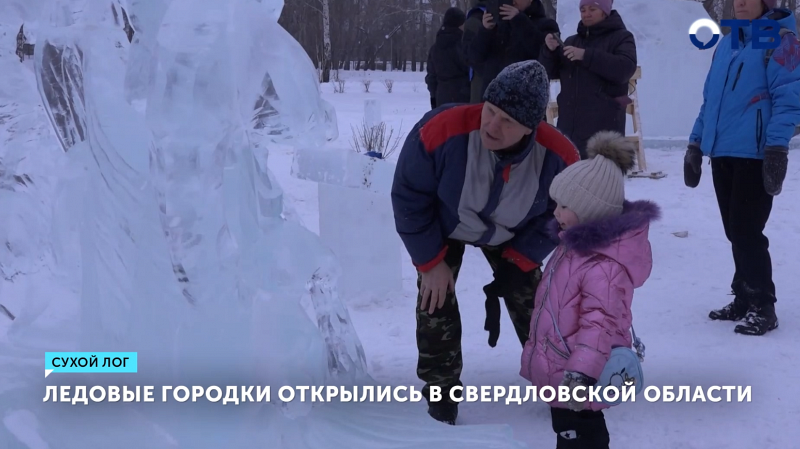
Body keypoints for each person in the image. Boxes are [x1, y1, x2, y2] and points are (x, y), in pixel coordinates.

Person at [391, 60, 579, 425]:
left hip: (514, 232)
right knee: (435, 298)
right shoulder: (439, 129)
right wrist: (430, 262)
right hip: (447, 225)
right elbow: (409, 196)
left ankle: (560, 384)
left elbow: (564, 214)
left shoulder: (560, 157)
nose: (492, 125)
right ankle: (441, 394)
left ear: (531, 126)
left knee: (539, 303)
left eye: (507, 121)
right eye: (490, 111)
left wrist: (523, 258)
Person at [520, 131, 659, 449]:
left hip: (579, 372)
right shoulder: (573, 246)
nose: (556, 212)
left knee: (582, 432)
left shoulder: (603, 267)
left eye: (565, 206)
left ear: (591, 210)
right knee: (568, 429)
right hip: (563, 364)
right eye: (557, 203)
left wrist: (582, 374)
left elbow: (600, 326)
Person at [685, 0, 800, 336]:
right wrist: (695, 143)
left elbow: (789, 99)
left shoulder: (781, 41)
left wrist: (777, 148)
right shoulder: (729, 41)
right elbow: (711, 100)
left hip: (756, 152)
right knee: (734, 231)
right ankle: (744, 297)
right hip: (723, 151)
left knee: (747, 230)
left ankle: (763, 305)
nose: (741, 2)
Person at [539, 0, 636, 159]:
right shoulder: (572, 41)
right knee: (569, 180)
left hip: (605, 132)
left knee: (602, 180)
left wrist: (586, 55)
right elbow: (547, 72)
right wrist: (549, 51)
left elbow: (624, 69)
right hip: (569, 129)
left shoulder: (622, 37)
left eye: (592, 9)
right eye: (583, 10)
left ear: (604, 12)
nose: (586, 14)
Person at [467, 0, 559, 98]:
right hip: (493, 99)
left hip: (525, 98)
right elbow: (474, 58)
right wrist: (485, 31)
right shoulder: (497, 26)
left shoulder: (546, 24)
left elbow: (544, 57)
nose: (513, 1)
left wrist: (519, 20)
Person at [425, 7, 471, 108]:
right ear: (459, 24)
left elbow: (431, 78)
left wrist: (434, 98)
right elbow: (470, 68)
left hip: (442, 97)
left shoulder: (435, 47)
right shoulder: (463, 45)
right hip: (463, 97)